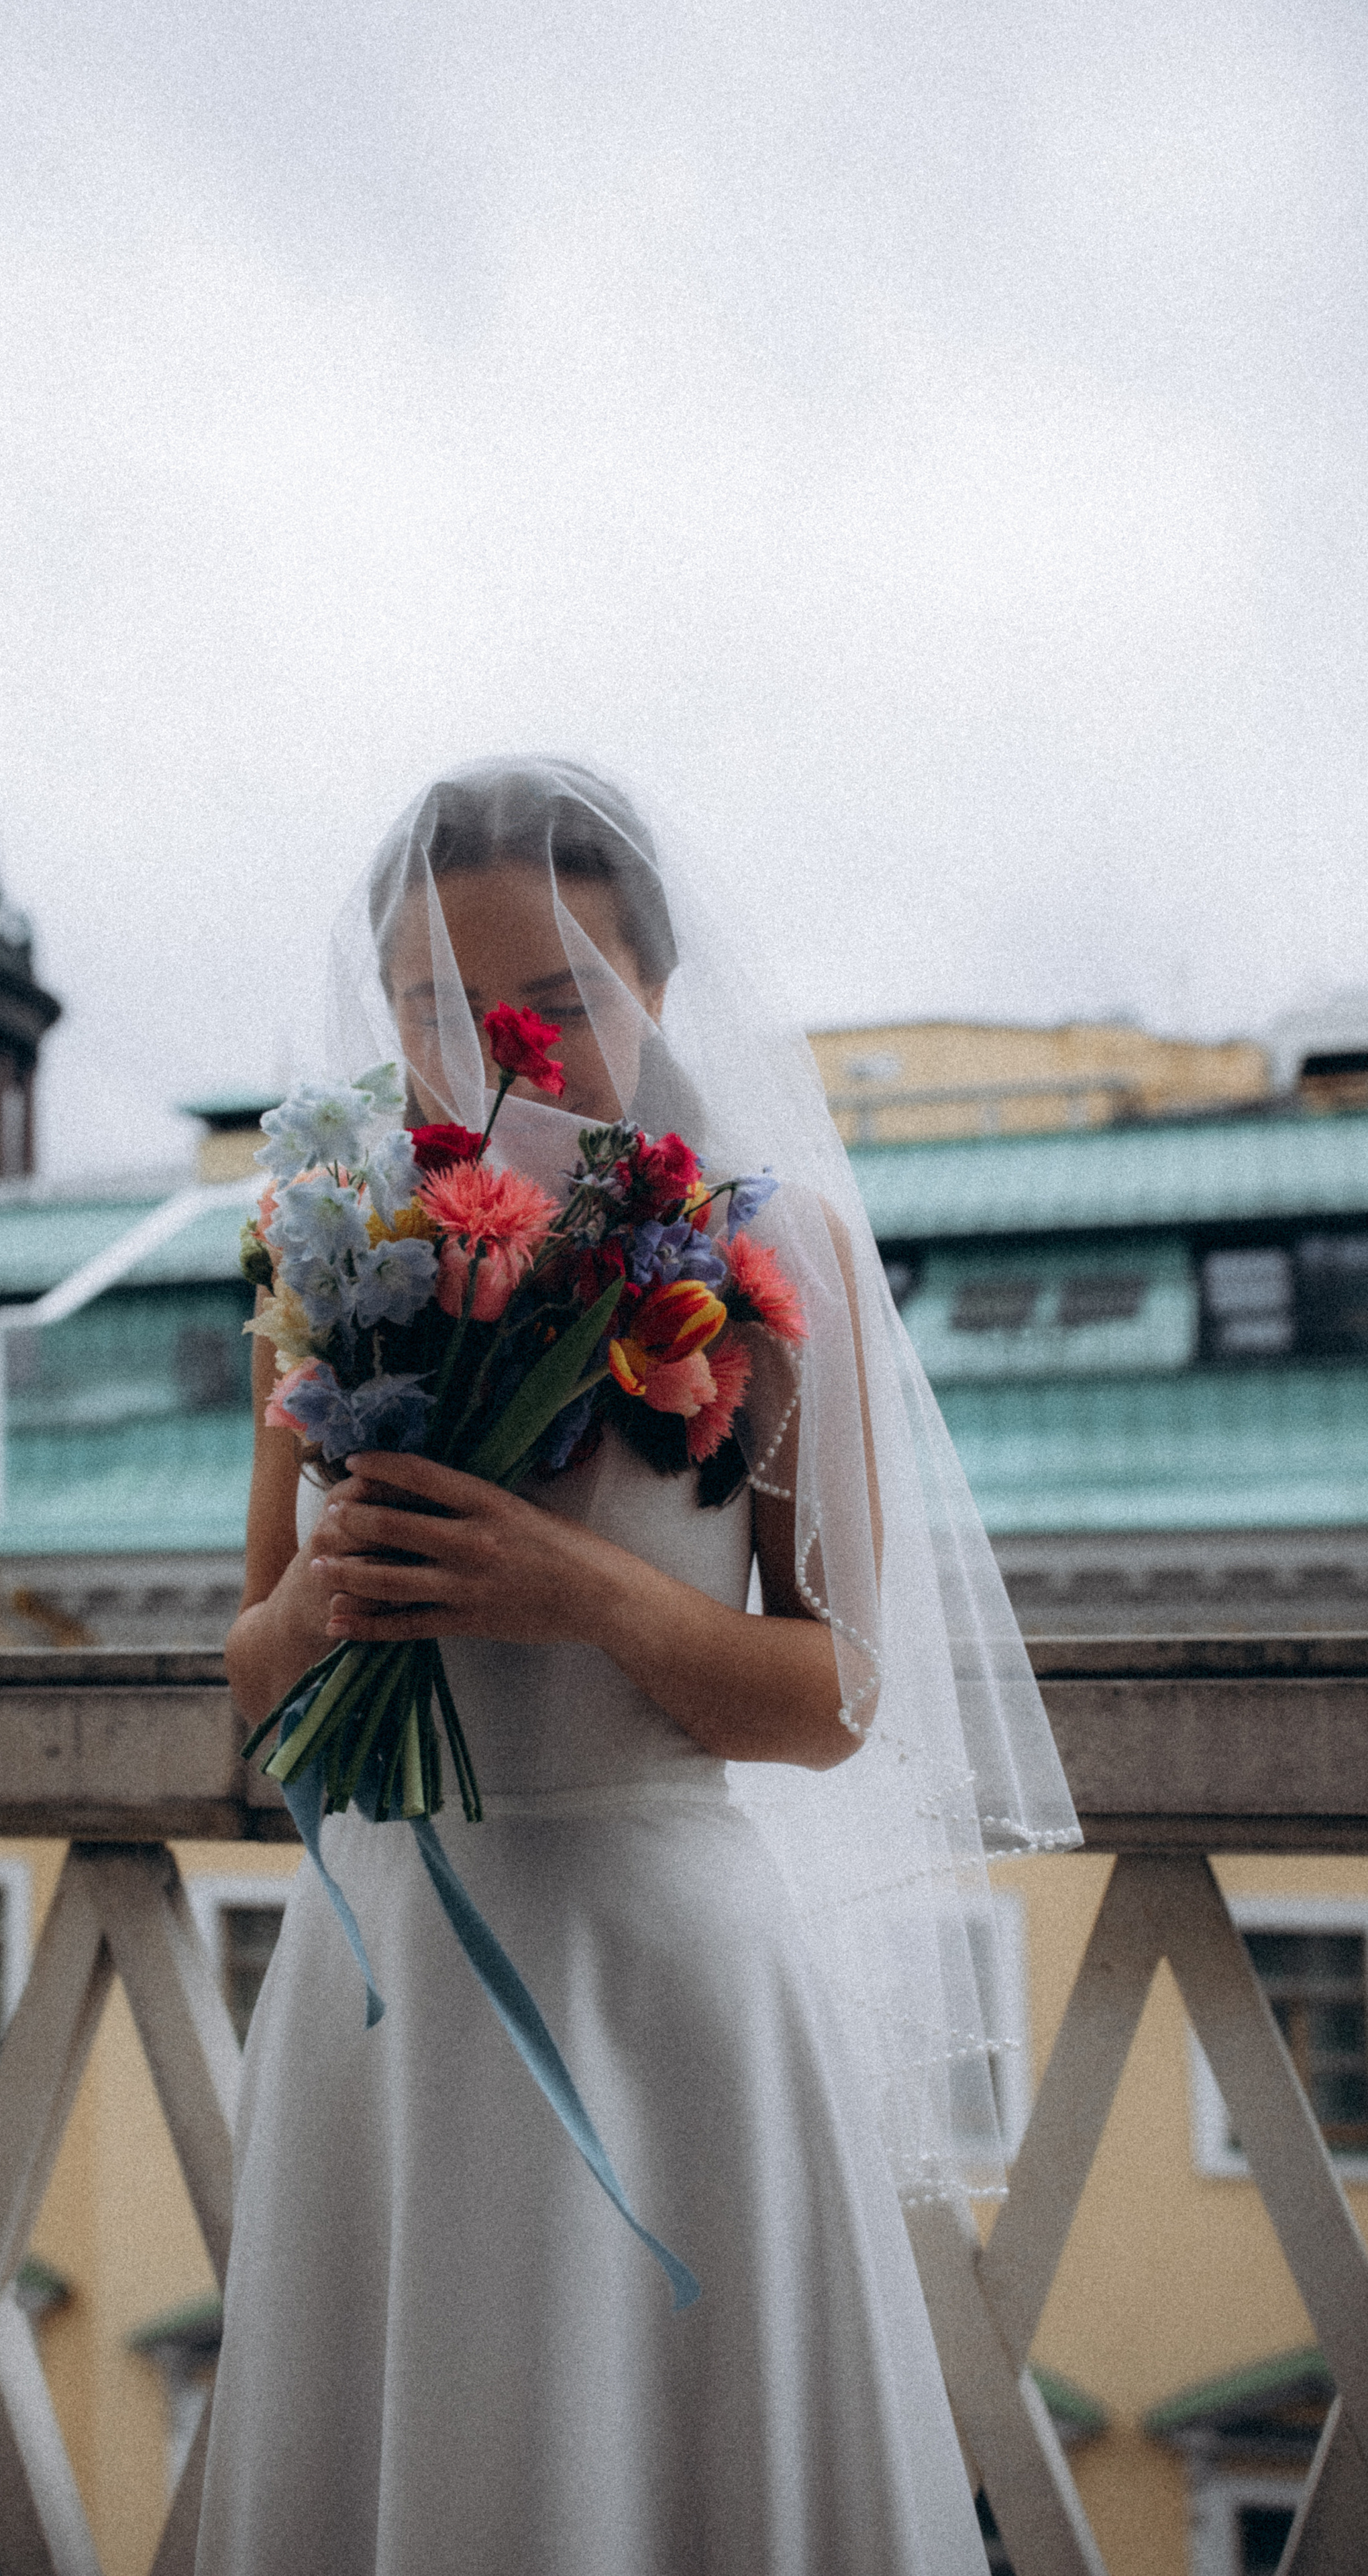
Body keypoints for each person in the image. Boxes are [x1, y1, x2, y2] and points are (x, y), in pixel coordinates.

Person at [197, 759, 1079, 2575]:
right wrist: (324, 1604)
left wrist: (581, 1593)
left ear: (657, 991)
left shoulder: (774, 1255)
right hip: (391, 1977)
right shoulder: (329, 1247)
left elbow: (837, 1699)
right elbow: (258, 1667)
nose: (493, 1049)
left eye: (554, 1001)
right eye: (433, 1004)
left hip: (659, 1986)